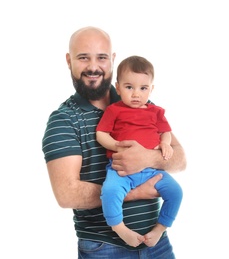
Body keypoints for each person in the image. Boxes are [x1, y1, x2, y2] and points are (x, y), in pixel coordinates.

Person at [42, 26, 187, 258]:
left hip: (156, 244)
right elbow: (66, 194)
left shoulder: (137, 100)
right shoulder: (64, 120)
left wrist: (148, 157)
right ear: (69, 61)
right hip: (105, 249)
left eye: (101, 57)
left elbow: (180, 159)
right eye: (83, 58)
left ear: (112, 59)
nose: (93, 67)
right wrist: (137, 192)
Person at [96, 55, 183, 248]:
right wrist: (116, 145)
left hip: (152, 170)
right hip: (121, 170)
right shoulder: (114, 110)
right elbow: (101, 134)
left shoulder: (156, 111)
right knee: (109, 191)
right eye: (129, 87)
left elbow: (165, 132)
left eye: (143, 88)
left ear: (151, 89)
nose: (136, 94)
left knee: (176, 192)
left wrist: (165, 144)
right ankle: (119, 227)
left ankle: (160, 228)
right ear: (118, 88)